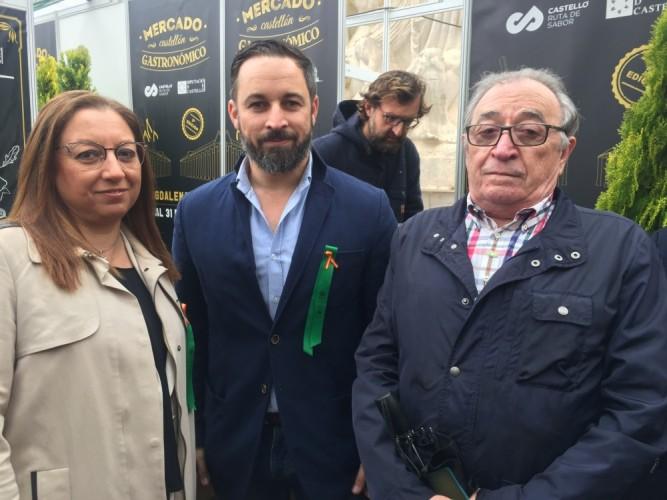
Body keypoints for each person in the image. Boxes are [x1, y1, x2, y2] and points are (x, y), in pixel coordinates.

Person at [352, 68, 667, 499]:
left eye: (529, 132)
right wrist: (401, 489)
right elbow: (376, 368)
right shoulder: (414, 238)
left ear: (565, 151)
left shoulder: (621, 250)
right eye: (486, 132)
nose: (502, 149)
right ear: (468, 144)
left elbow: (640, 408)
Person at [172, 40, 396, 500]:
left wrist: (379, 440)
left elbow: (387, 337)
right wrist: (196, 434)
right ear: (234, 114)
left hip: (336, 446)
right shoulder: (195, 212)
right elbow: (193, 334)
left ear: (312, 108)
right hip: (235, 445)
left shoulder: (368, 209)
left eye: (290, 103)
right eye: (258, 104)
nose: (276, 120)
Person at [0, 91, 196, 500]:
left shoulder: (154, 267)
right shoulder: (10, 260)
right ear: (47, 164)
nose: (114, 170)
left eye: (126, 153)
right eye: (89, 155)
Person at [314, 70, 430, 222]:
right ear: (368, 108)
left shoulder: (407, 151)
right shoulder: (323, 153)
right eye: (390, 118)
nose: (398, 131)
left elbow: (413, 221)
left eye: (408, 121)